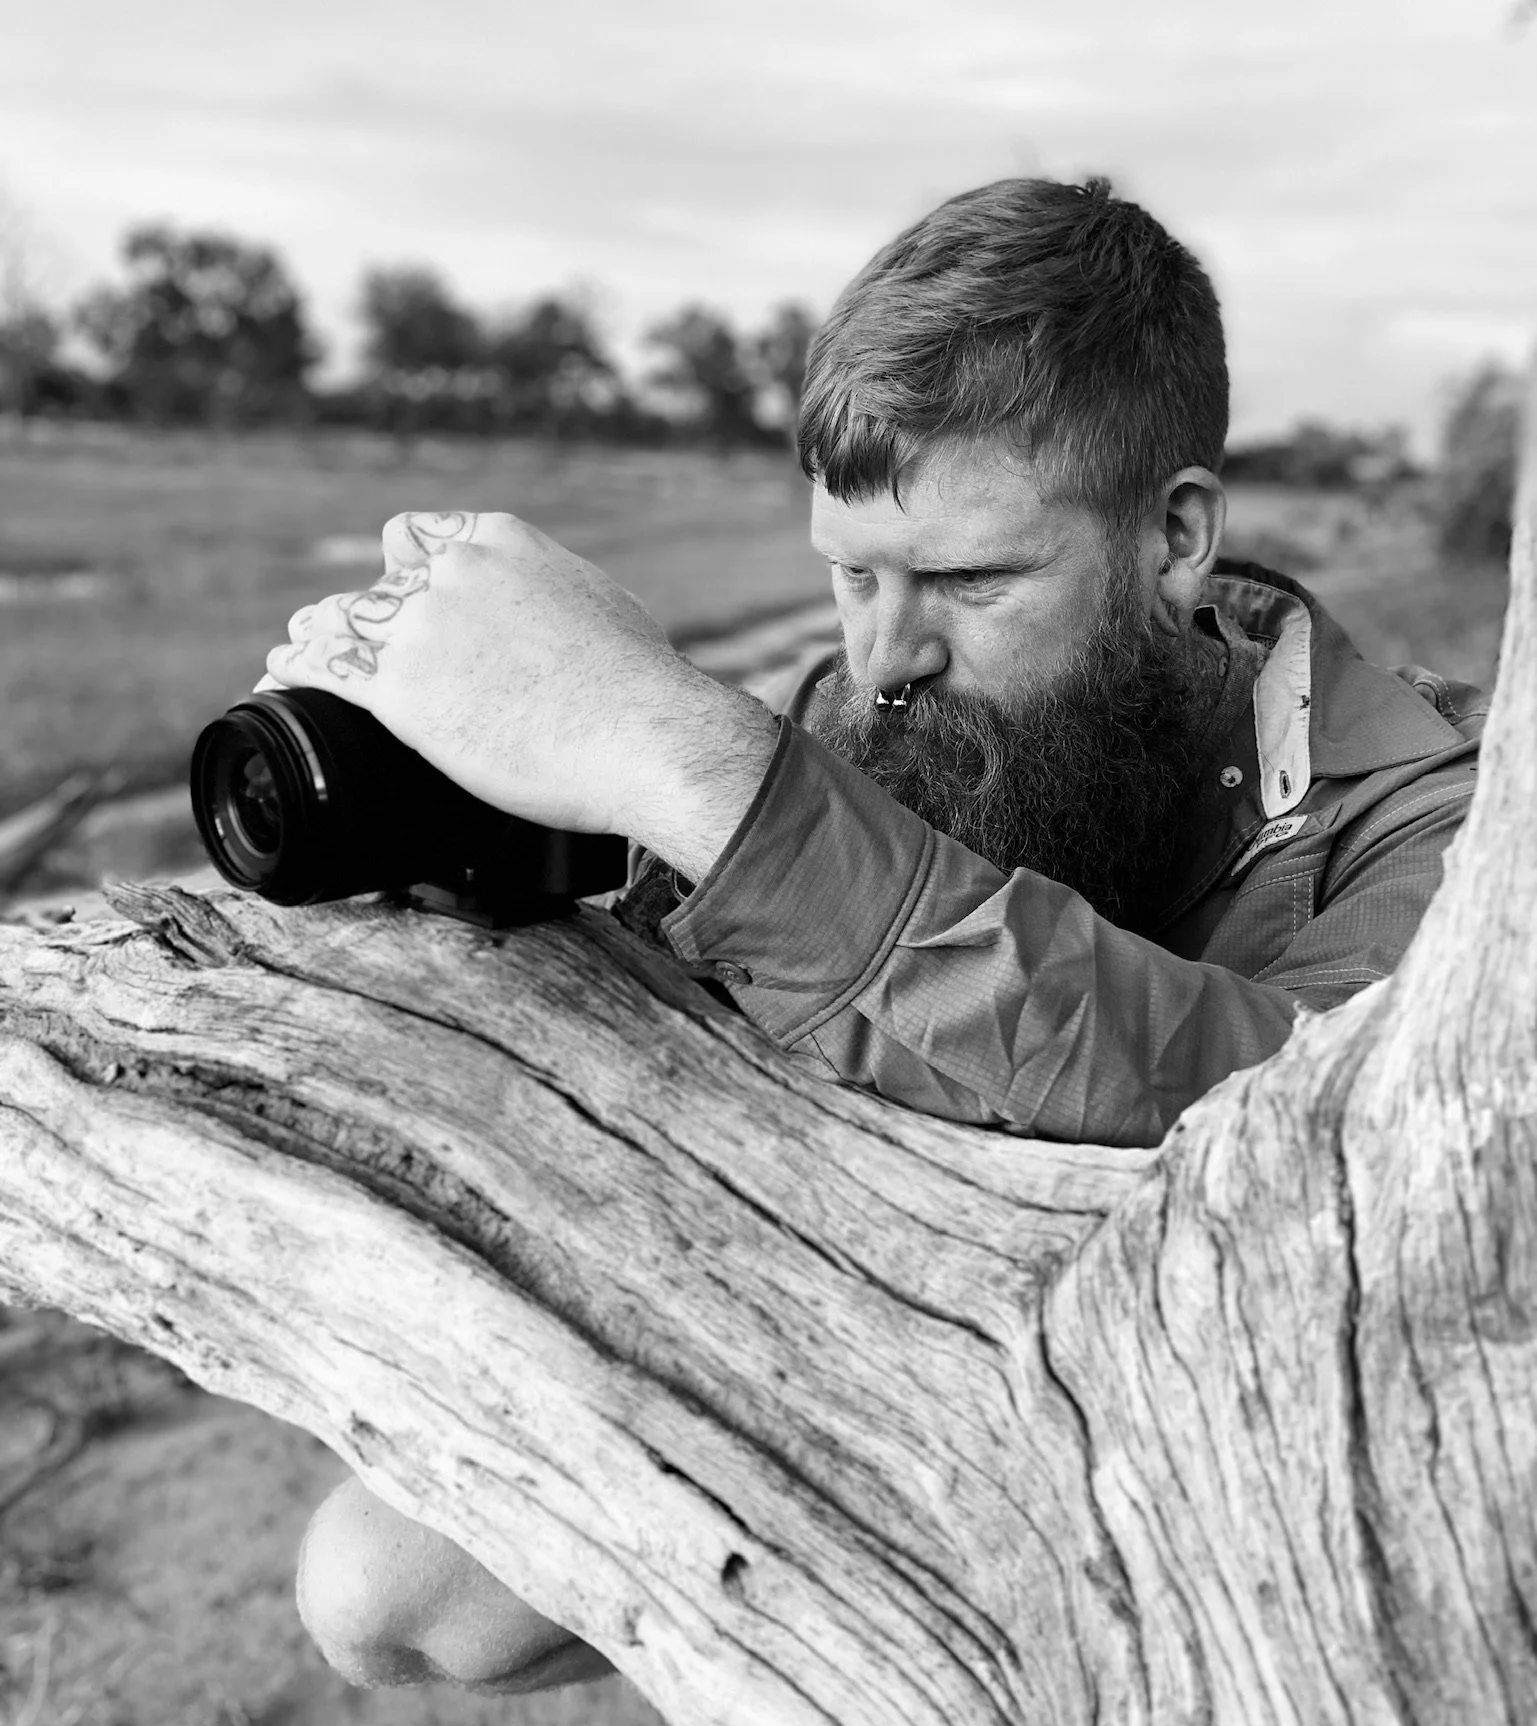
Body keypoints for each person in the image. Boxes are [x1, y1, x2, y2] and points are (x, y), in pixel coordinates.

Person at [269, 177, 1484, 1694]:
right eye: (853, 572)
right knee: (388, 1584)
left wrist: (712, 771)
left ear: (1176, 535)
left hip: (1270, 1446)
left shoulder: (1443, 815)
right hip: (908, 1326)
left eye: (971, 579)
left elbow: (1312, 1121)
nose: (886, 655)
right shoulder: (888, 700)